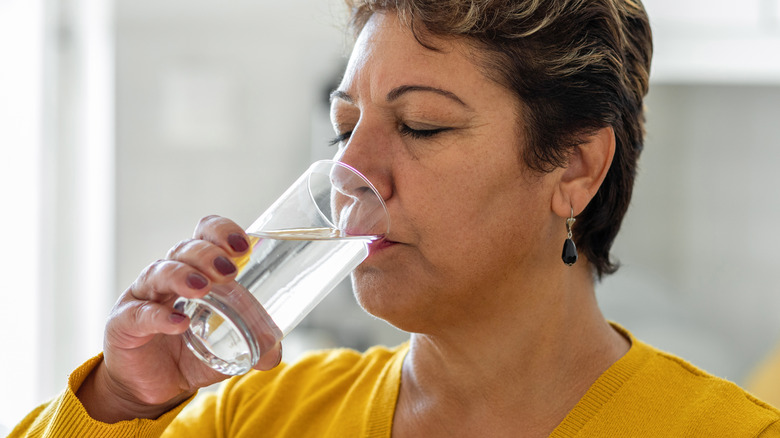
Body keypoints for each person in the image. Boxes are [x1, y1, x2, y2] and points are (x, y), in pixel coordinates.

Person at [9, 0, 780, 436]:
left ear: (574, 165)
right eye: (346, 126)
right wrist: (123, 400)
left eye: (421, 127)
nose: (352, 171)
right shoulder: (259, 418)